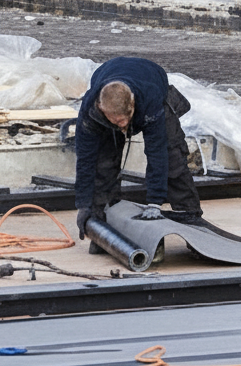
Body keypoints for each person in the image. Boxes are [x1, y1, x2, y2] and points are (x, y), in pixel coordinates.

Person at [74, 56, 202, 246]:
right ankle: (102, 225)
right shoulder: (90, 111)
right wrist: (84, 205)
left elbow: (156, 152)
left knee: (172, 156)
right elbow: (85, 160)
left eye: (126, 119)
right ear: (101, 108)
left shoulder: (149, 98)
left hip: (151, 81)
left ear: (132, 104)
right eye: (117, 121)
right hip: (111, 79)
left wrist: (154, 202)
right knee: (103, 162)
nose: (123, 125)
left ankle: (191, 218)